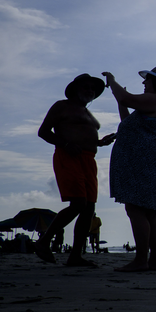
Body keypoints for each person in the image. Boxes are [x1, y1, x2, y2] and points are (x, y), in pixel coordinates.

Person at [34, 74, 116, 267]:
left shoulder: (89, 114)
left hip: (89, 160)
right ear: (75, 89)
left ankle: (75, 256)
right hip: (68, 156)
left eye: (93, 89)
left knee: (89, 209)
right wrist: (65, 144)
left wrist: (100, 142)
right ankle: (44, 241)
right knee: (78, 204)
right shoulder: (61, 106)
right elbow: (43, 132)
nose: (90, 91)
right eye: (85, 87)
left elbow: (84, 137)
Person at [103, 66, 156, 272]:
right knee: (149, 212)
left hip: (143, 160)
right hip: (149, 160)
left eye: (147, 80)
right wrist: (121, 99)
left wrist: (112, 82)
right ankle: (153, 261)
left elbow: (127, 98)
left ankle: (141, 260)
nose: (144, 83)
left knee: (136, 209)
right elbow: (128, 121)